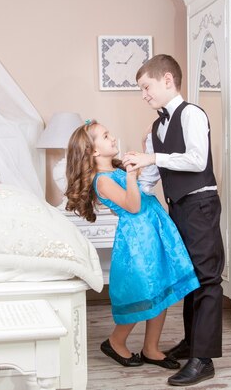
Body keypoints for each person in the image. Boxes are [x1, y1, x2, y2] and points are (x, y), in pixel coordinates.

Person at [122, 54, 225, 386]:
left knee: (208, 279)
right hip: (176, 208)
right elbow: (152, 176)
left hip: (201, 205)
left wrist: (151, 156)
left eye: (146, 87)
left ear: (167, 80)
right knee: (189, 278)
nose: (144, 95)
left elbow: (196, 160)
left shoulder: (192, 113)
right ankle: (193, 343)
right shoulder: (155, 127)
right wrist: (127, 194)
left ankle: (203, 359)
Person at [65, 120, 199, 370]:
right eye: (106, 136)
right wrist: (130, 173)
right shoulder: (102, 180)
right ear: (94, 151)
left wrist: (146, 145)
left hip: (153, 232)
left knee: (162, 290)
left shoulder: (115, 169)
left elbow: (144, 184)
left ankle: (151, 348)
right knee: (142, 294)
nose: (112, 138)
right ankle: (115, 341)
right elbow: (133, 206)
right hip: (138, 241)